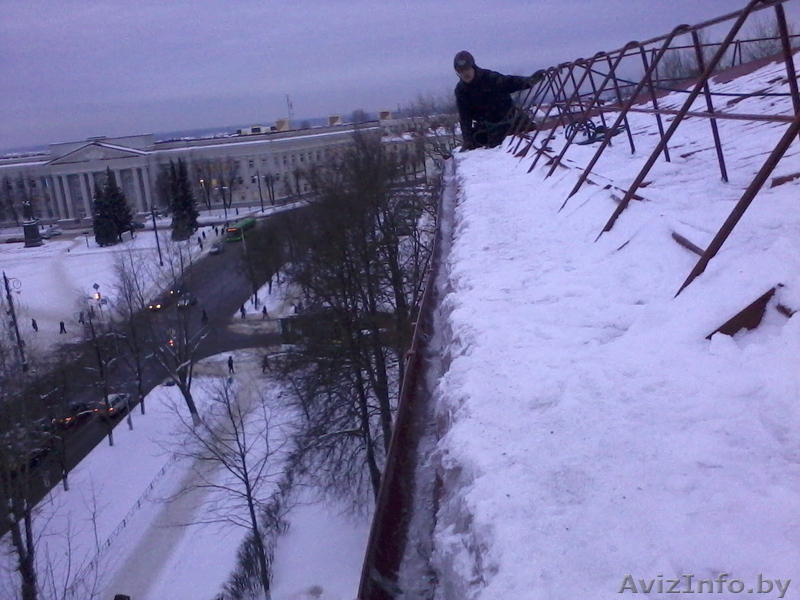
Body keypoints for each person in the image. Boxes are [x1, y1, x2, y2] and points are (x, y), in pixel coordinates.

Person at [453, 50, 545, 150]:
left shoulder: (489, 78)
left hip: (513, 121)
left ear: (473, 66)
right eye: (461, 71)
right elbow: (465, 117)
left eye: (467, 69)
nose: (465, 73)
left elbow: (510, 82)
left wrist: (529, 81)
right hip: (489, 128)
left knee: (534, 139)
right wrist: (467, 140)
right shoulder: (461, 91)